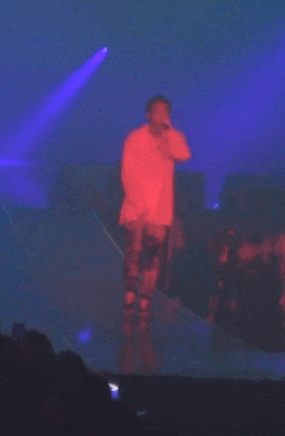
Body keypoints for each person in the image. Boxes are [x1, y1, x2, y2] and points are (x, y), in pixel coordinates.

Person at [119, 95, 191, 346]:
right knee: (134, 253)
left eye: (165, 111)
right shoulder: (135, 138)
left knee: (153, 257)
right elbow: (127, 171)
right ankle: (130, 295)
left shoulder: (172, 137)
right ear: (148, 114)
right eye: (157, 111)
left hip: (159, 210)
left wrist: (170, 133)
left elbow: (184, 154)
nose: (161, 115)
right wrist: (137, 203)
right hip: (136, 208)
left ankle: (145, 300)